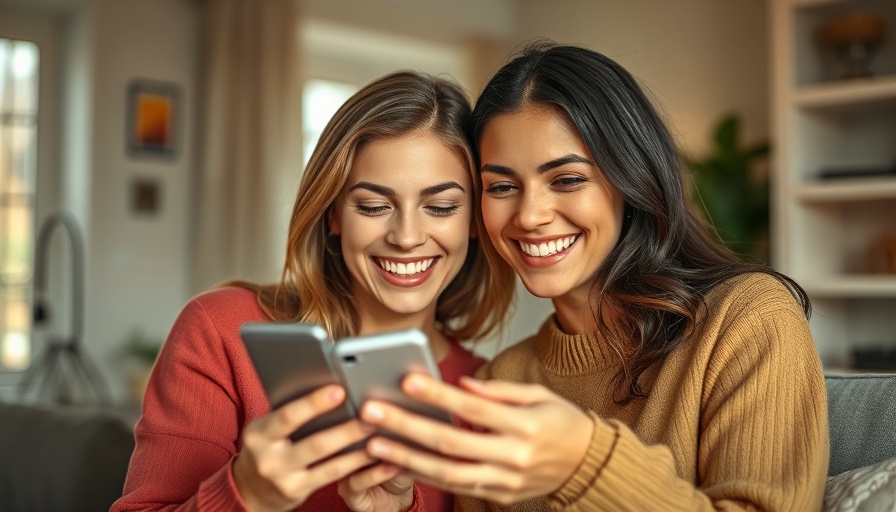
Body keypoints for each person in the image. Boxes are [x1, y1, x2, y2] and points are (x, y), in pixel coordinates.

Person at [354, 42, 830, 511]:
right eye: (502, 186)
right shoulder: (501, 381)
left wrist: (585, 464)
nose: (530, 215)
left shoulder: (746, 320)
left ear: (631, 177)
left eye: (567, 179)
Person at [111, 71, 515, 512]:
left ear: (474, 220)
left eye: (440, 207)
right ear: (332, 215)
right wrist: (246, 493)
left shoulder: (488, 393)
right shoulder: (222, 331)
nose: (406, 236)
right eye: (374, 206)